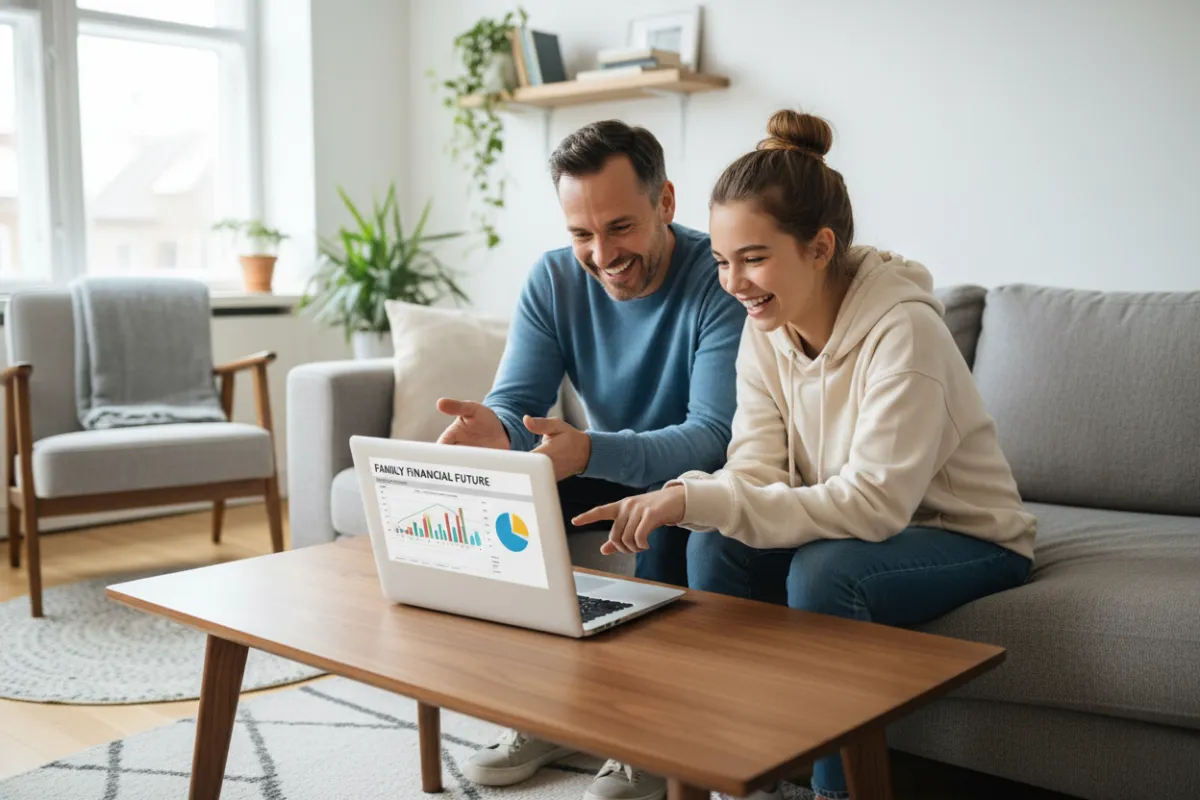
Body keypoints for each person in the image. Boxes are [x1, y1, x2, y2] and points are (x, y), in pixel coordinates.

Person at [572, 110, 1037, 800]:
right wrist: (696, 500)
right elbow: (755, 468)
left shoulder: (903, 333)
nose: (734, 282)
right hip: (866, 523)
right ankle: (727, 767)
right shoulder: (766, 326)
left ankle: (833, 792)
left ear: (820, 247)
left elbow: (874, 506)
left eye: (754, 258)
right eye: (724, 262)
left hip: (963, 534)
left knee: (827, 575)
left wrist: (693, 495)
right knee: (712, 546)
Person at [435, 119, 746, 800]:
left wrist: (590, 450)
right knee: (516, 493)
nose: (602, 253)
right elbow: (519, 408)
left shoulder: (717, 279)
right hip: (601, 463)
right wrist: (496, 431)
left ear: (665, 203)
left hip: (695, 478)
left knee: (669, 501)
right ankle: (548, 710)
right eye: (582, 234)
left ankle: (653, 736)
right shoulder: (553, 279)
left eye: (620, 227)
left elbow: (711, 437)